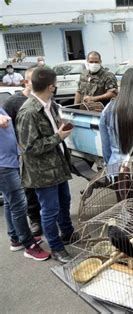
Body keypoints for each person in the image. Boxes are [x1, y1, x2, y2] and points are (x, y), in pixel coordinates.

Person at [16, 67, 76, 264]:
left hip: (57, 166)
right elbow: (30, 147)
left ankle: (68, 233)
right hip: (42, 173)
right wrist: (57, 137)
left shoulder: (50, 104)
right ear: (51, 87)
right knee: (49, 210)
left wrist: (61, 128)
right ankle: (57, 247)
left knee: (65, 202)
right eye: (55, 85)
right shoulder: (29, 112)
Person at [0, 110, 50, 261]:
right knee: (19, 204)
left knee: (10, 202)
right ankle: (29, 245)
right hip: (3, 166)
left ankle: (16, 238)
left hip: (9, 160)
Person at [3, 67, 43, 236]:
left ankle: (45, 217)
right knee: (27, 190)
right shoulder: (13, 102)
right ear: (26, 82)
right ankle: (33, 221)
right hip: (21, 155)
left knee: (43, 186)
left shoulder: (42, 98)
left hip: (41, 152)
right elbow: (8, 127)